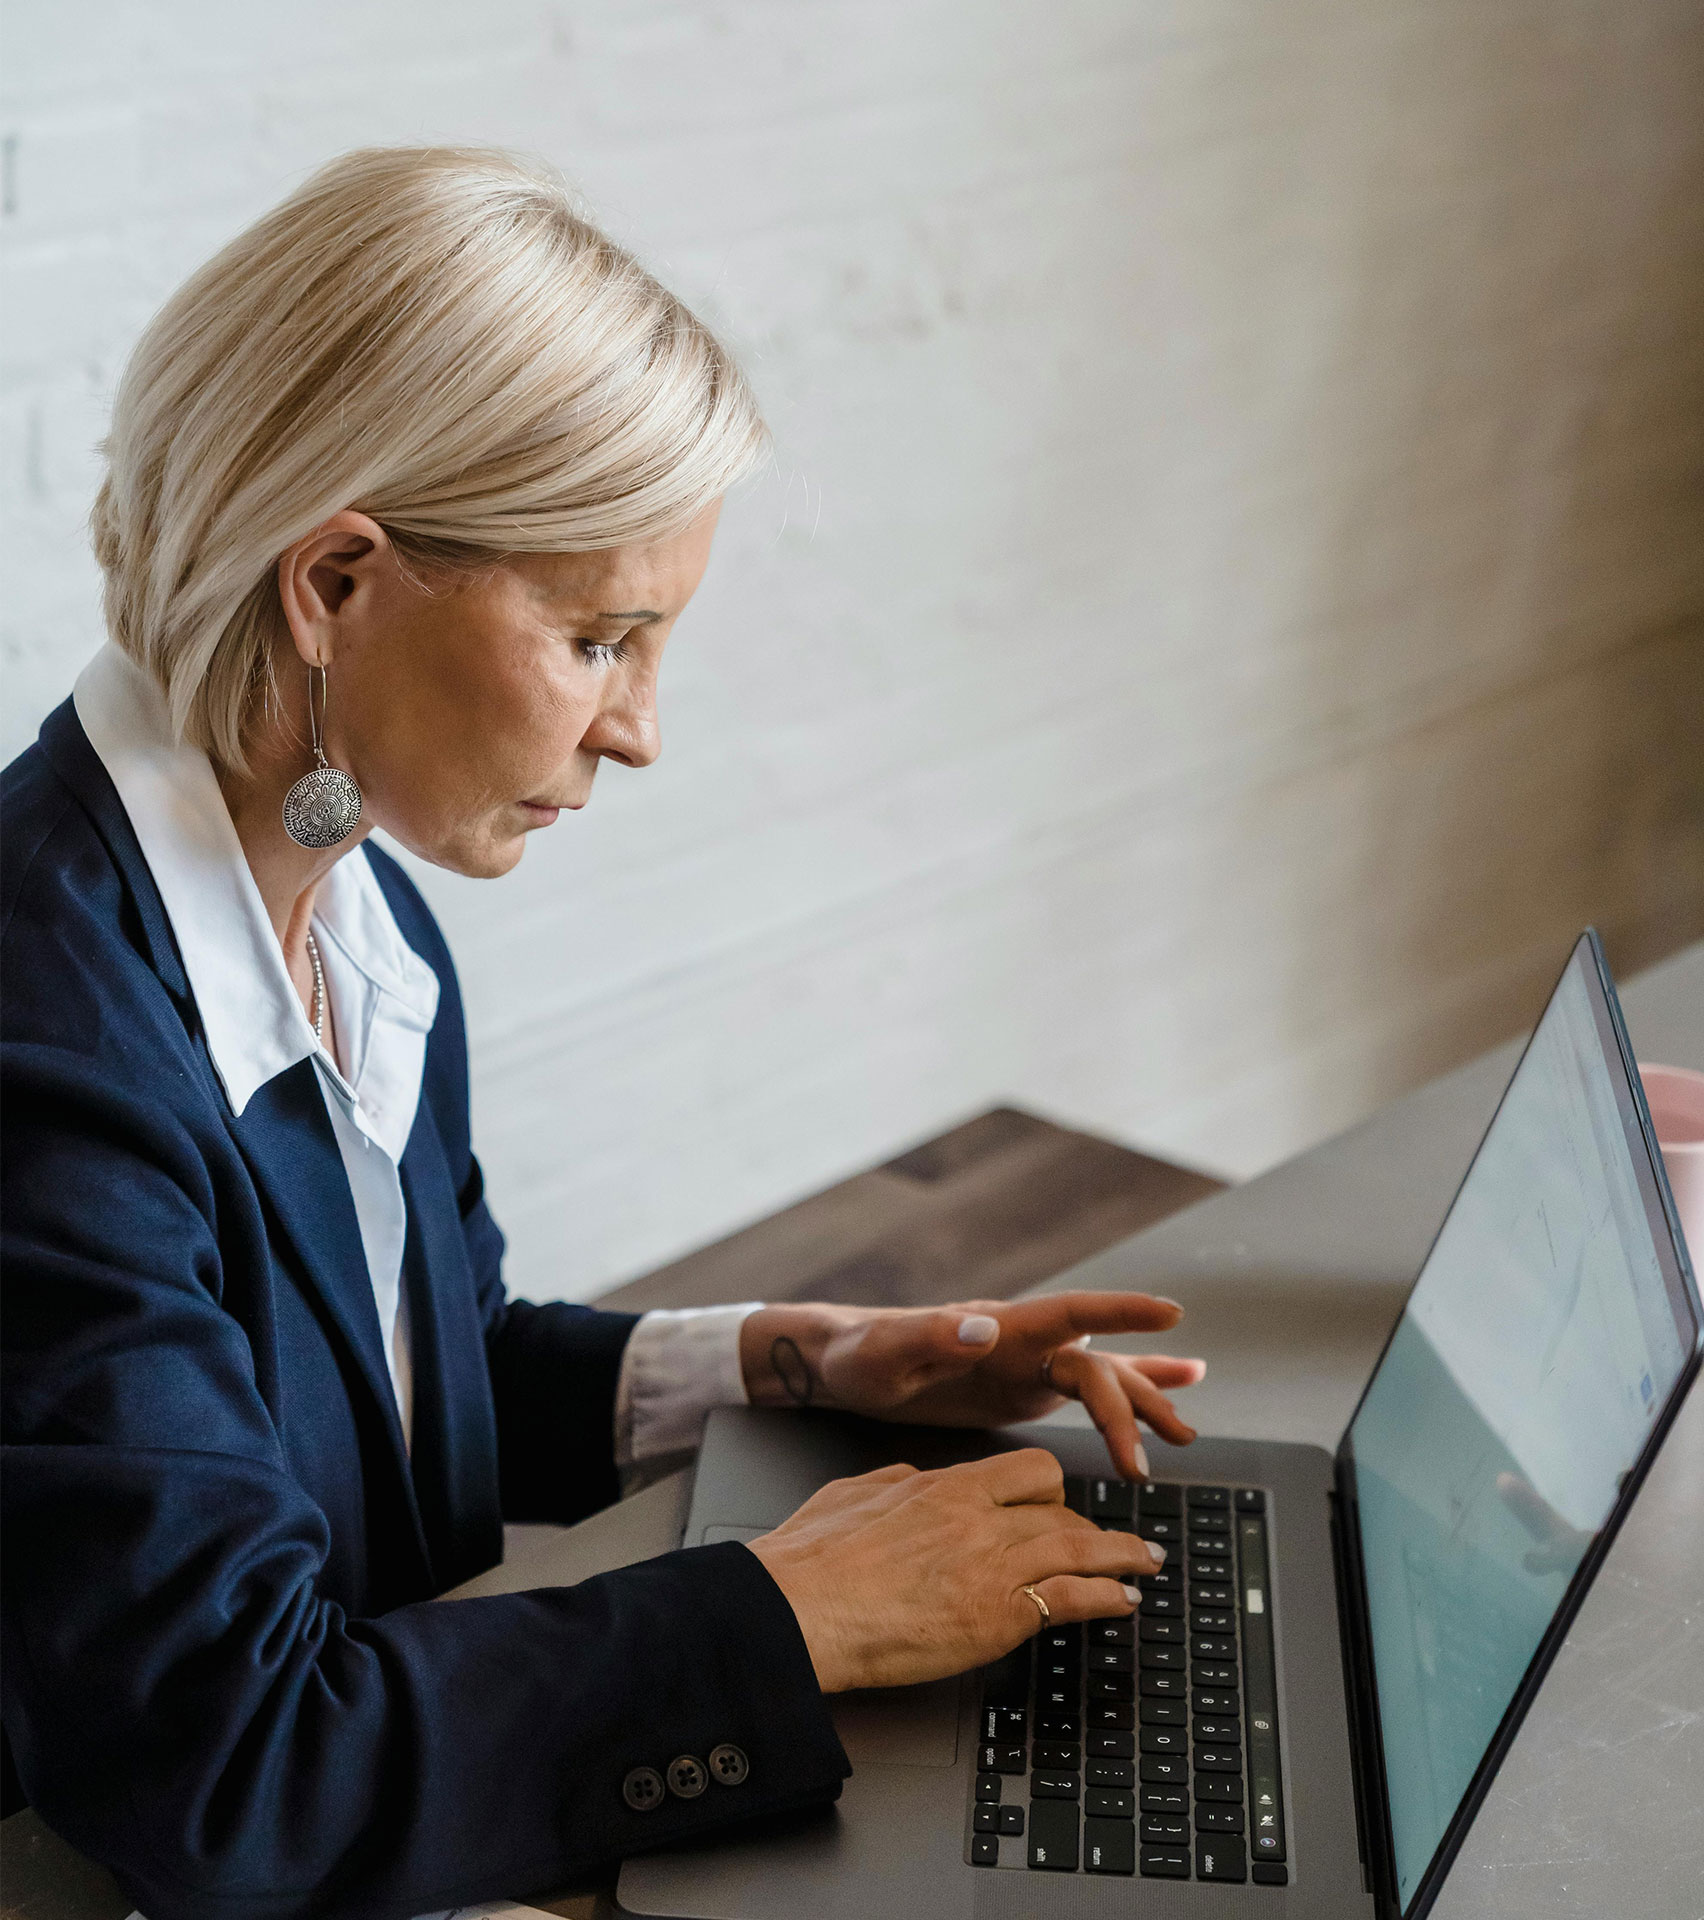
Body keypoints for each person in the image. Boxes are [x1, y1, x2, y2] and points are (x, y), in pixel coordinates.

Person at [0, 146, 1204, 1920]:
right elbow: (231, 1763)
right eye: (599, 639)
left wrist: (801, 1365)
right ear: (334, 585)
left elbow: (402, 1389)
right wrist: (793, 1613)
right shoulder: (48, 1060)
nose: (640, 730)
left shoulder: (350, 911)